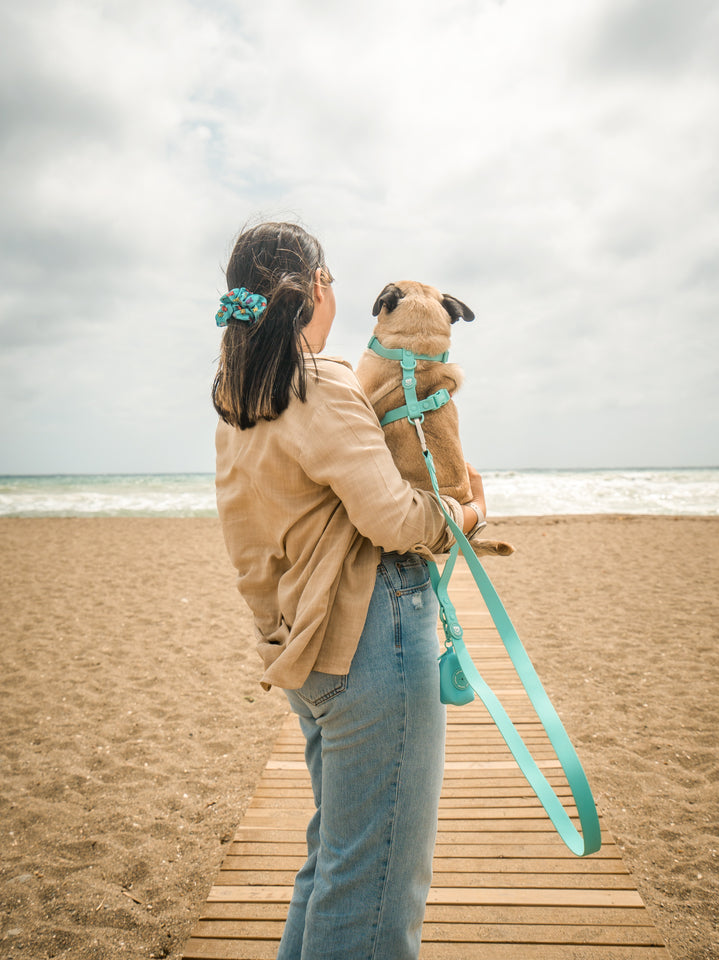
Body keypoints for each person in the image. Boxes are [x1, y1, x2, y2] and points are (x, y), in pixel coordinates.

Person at [212, 221, 486, 960]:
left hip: (309, 651)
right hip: (374, 643)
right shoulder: (322, 385)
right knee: (377, 888)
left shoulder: (236, 398)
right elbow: (395, 519)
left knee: (336, 865)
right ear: (320, 289)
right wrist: (465, 513)